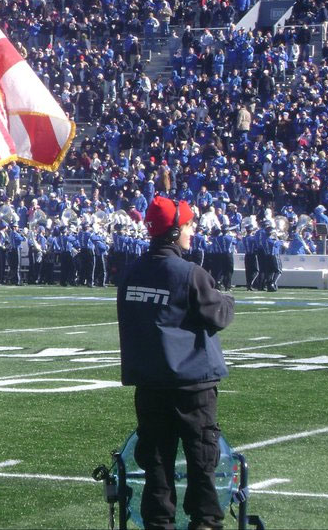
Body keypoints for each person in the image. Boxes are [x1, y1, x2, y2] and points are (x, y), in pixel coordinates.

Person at [117, 196, 234, 530]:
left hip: (150, 384)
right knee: (201, 458)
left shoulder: (131, 273)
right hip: (191, 384)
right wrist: (227, 297)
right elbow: (219, 315)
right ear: (173, 231)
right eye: (187, 225)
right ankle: (206, 521)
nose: (192, 230)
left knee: (155, 461)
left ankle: (158, 523)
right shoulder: (191, 273)